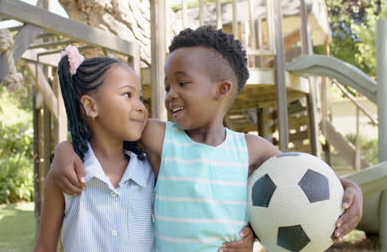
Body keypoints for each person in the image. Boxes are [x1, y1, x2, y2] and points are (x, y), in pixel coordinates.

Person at [50, 26, 363, 251]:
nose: (170, 95)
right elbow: (105, 127)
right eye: (168, 86)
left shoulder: (250, 149)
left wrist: (350, 189)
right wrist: (65, 149)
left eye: (182, 83)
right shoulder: (159, 137)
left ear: (221, 89)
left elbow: (304, 179)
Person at [34, 46, 155, 252]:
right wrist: (64, 148)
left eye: (140, 98)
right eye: (127, 94)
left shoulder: (150, 168)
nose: (141, 106)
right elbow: (45, 246)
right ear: (90, 107)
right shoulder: (64, 176)